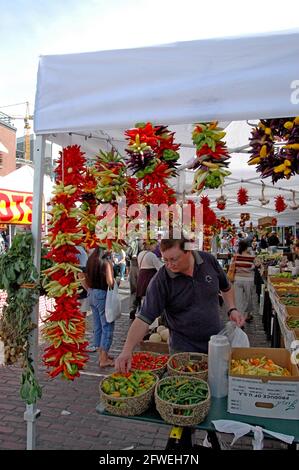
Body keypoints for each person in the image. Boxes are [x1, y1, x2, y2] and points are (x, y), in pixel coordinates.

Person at [115, 236, 244, 373]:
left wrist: (232, 309)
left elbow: (226, 287)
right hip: (183, 350)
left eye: (174, 259)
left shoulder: (208, 260)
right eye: (165, 260)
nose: (169, 265)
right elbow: (143, 318)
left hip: (216, 342)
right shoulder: (161, 280)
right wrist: (126, 350)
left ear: (188, 251)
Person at [82, 246, 115, 367]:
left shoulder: (90, 261)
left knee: (98, 326)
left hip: (91, 293)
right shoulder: (106, 262)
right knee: (107, 326)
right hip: (102, 294)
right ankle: (103, 358)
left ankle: (102, 353)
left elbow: (83, 277)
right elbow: (110, 282)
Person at [232, 240, 257, 323]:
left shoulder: (235, 256)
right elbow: (257, 264)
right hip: (248, 280)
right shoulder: (251, 257)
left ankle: (240, 319)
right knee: (248, 298)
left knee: (238, 300)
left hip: (237, 279)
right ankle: (247, 315)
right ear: (246, 247)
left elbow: (233, 267)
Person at [136, 240, 163, 306]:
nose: (156, 247)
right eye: (155, 245)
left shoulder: (140, 254)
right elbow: (160, 268)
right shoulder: (152, 255)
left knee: (143, 297)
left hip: (141, 276)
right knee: (150, 298)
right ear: (150, 245)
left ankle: (142, 311)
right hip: (149, 278)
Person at [127, 238, 143, 320]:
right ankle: (141, 311)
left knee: (133, 291)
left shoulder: (133, 242)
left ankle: (132, 309)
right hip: (142, 267)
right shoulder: (144, 242)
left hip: (133, 266)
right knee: (142, 290)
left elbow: (127, 256)